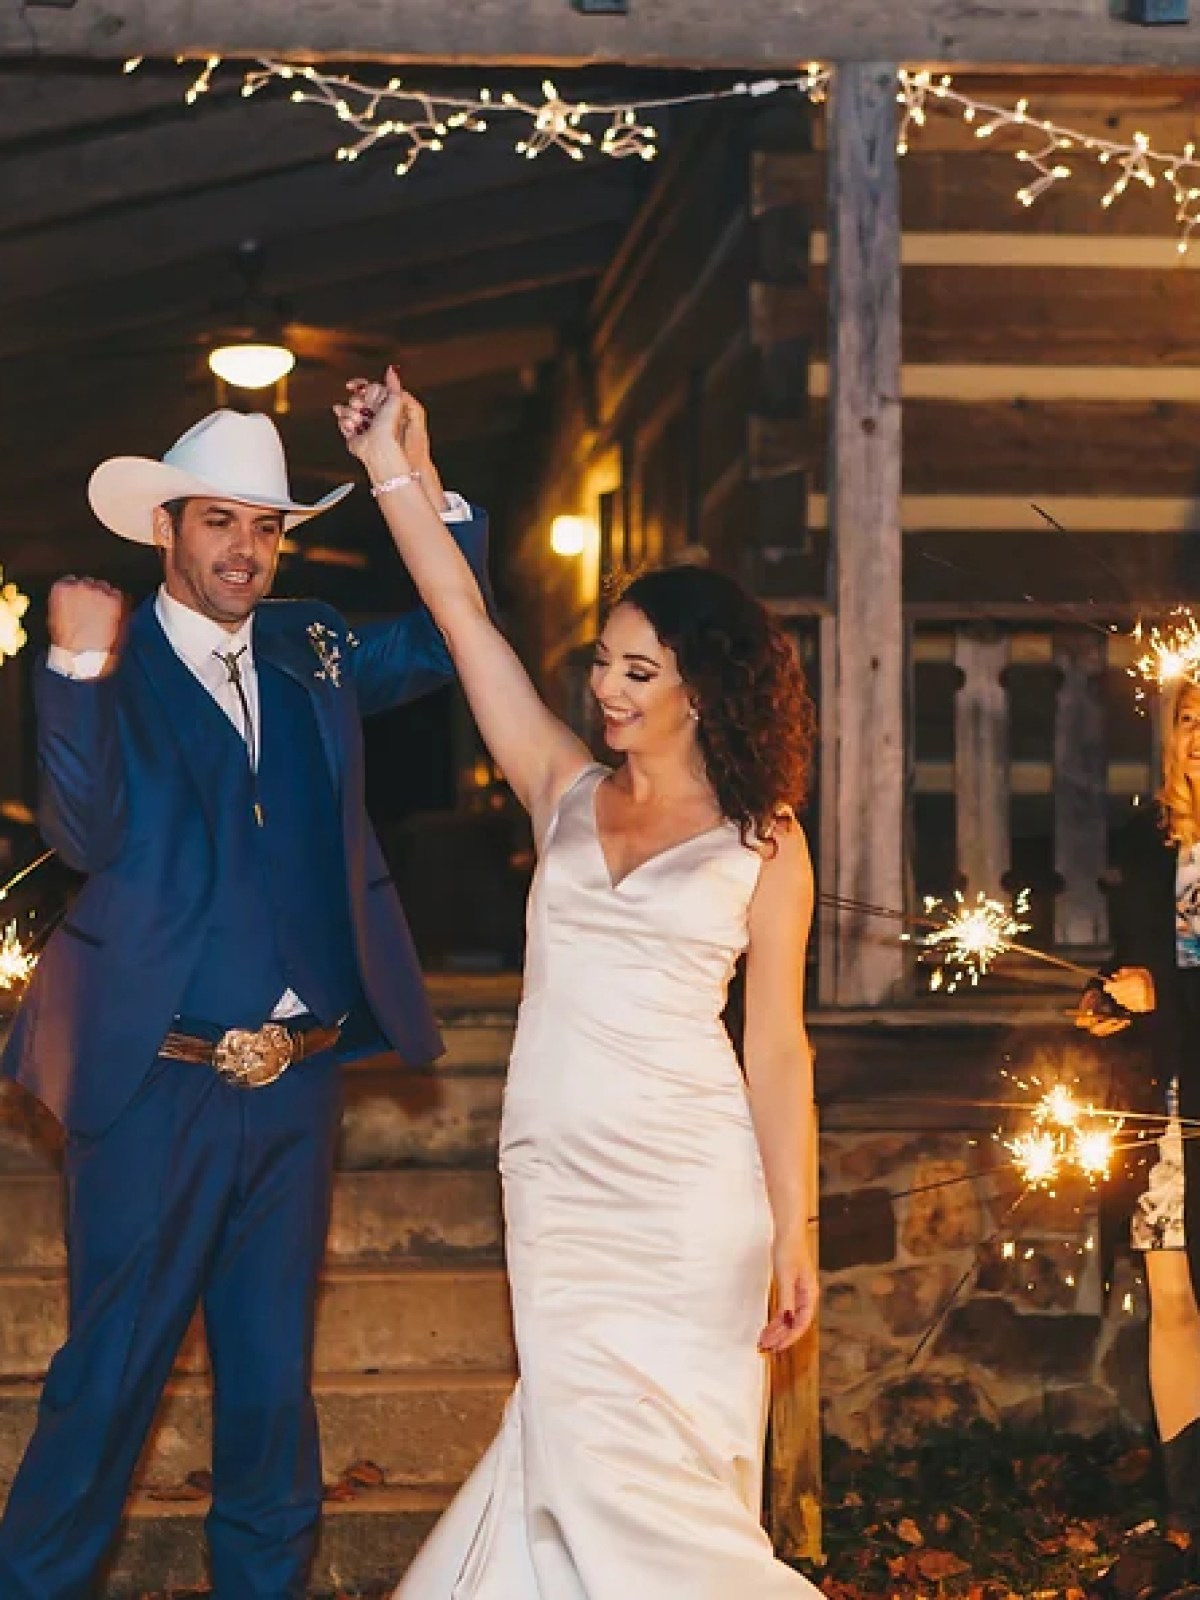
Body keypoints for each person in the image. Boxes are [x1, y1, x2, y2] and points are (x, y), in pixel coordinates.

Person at [334, 369, 821, 1598]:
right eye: (605, 661)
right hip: (556, 1176)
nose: (606, 687)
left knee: (662, 1479)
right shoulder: (560, 787)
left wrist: (794, 1230)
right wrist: (396, 466)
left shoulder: (768, 843)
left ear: (703, 689)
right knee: (570, 1443)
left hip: (693, 1193)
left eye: (639, 672)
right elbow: (462, 618)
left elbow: (776, 1048)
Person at [0, 407, 490, 1600]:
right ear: (165, 528)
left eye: (266, 528)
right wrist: (72, 670)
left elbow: (451, 634)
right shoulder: (109, 658)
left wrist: (421, 481)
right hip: (155, 1082)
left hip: (296, 1083)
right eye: (220, 521)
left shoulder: (311, 642)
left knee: (272, 1389)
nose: (245, 550)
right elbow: (82, 832)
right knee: (109, 1377)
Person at [1077, 680, 1200, 1592]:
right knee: (1175, 1303)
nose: (1199, 737)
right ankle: (1188, 1513)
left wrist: (1167, 990)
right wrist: (1108, 999)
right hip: (1164, 1106)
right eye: (1191, 719)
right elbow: (1140, 963)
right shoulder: (1148, 843)